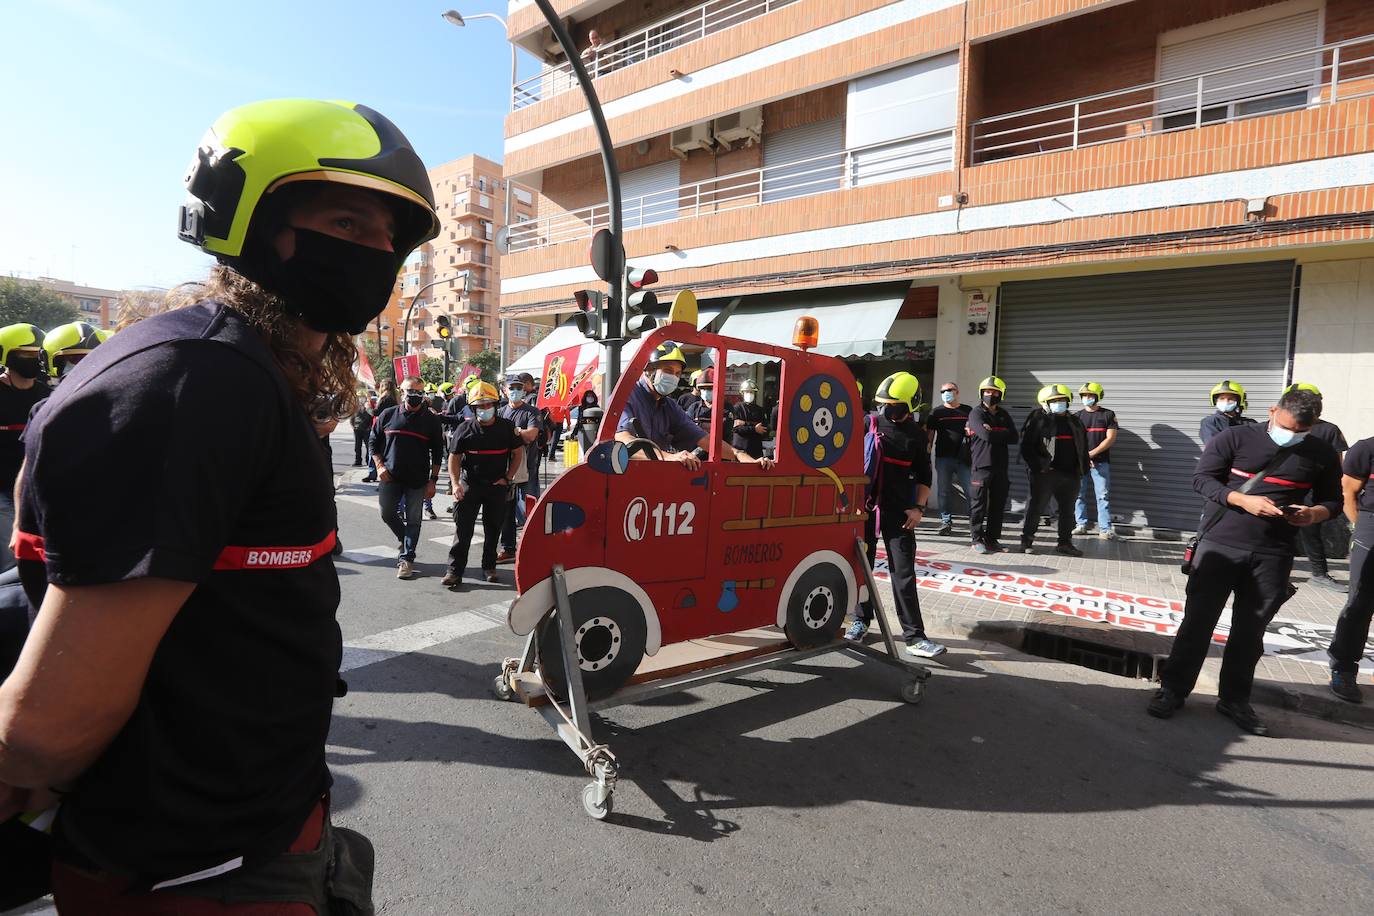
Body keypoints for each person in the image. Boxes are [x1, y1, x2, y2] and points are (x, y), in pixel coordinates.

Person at [0, 97, 440, 910]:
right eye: (347, 224)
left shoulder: (253, 373)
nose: (378, 256)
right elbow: (51, 722)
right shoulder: (190, 385)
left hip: (262, 831)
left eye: (391, 239)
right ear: (249, 219)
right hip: (192, 871)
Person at [1149, 387, 1340, 736]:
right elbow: (1201, 480)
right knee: (1198, 623)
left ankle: (1235, 699)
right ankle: (1173, 690)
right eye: (1286, 427)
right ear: (1272, 411)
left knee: (1250, 632)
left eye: (1301, 432)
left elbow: (1334, 500)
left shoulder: (1321, 451)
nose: (1292, 436)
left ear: (1313, 426)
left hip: (1274, 553)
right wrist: (1240, 499)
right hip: (1220, 545)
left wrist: (1314, 513)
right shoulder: (1235, 437)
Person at [847, 372, 946, 658]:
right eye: (884, 404)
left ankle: (914, 637)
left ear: (912, 404)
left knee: (903, 573)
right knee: (862, 570)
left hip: (900, 514)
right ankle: (860, 621)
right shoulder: (868, 423)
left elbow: (926, 476)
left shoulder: (917, 435)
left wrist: (920, 508)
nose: (888, 410)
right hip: (864, 510)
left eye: (895, 405)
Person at [615, 342, 774, 470]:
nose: (673, 377)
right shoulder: (627, 395)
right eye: (668, 370)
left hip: (655, 479)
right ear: (649, 370)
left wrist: (739, 455)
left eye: (678, 374)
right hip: (622, 477)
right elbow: (622, 439)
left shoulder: (669, 405)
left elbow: (702, 437)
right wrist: (669, 457)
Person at [445, 382, 524, 588]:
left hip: (497, 487)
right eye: (480, 406)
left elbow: (518, 454)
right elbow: (454, 458)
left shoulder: (507, 428)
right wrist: (455, 484)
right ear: (473, 408)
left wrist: (508, 477)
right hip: (469, 485)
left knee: (493, 530)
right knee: (463, 532)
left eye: (489, 405)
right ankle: (454, 571)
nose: (485, 409)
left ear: (496, 405)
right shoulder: (464, 429)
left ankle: (489, 567)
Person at [370, 375, 445, 580]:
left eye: (419, 392)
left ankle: (407, 558)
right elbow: (373, 442)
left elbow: (438, 452)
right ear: (401, 392)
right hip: (390, 476)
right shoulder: (388, 414)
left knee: (414, 520)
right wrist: (379, 466)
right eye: (410, 392)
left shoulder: (431, 420)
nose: (414, 396)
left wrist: (433, 480)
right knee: (387, 513)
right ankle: (405, 539)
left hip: (417, 479)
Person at [1285, 383, 1348, 592]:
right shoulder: (1281, 425)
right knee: (1277, 528)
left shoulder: (1329, 429)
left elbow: (1338, 463)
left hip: (1314, 488)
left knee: (1310, 529)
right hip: (1285, 486)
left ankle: (1319, 574)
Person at [0, 325, 51, 572]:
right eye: (25, 355)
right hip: (2, 491)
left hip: (36, 488)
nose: (33, 361)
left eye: (37, 355)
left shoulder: (48, 394)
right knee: (11, 560)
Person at [1328, 432, 1374, 703]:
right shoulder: (1366, 448)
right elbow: (1348, 492)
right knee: (1360, 602)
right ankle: (1343, 669)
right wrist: (1359, 529)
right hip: (1370, 525)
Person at [1019, 384, 1088, 556]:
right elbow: (1026, 446)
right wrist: (1038, 467)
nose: (1059, 403)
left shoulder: (1075, 421)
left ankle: (1064, 543)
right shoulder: (1038, 419)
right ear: (1046, 403)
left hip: (1071, 474)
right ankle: (1026, 541)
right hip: (1046, 474)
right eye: (1055, 400)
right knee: (1036, 508)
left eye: (1062, 400)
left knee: (1067, 511)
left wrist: (1082, 467)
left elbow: (1083, 446)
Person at [496, 374, 547, 563]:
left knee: (528, 508)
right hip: (506, 468)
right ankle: (508, 548)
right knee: (506, 510)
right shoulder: (500, 412)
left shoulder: (532, 412)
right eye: (512, 388)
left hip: (528, 468)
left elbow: (531, 435)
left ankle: (534, 546)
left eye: (519, 387)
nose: (515, 391)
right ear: (504, 390)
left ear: (524, 390)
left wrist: (514, 431)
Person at [966, 376, 1018, 554]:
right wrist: (999, 432)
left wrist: (992, 430)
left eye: (995, 392)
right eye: (987, 391)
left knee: (998, 505)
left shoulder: (1003, 414)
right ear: (982, 393)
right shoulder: (976, 413)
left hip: (1001, 466)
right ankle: (976, 539)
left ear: (1001, 394)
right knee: (978, 504)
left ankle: (992, 539)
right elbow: (985, 435)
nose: (990, 395)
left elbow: (1014, 437)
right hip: (981, 466)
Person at [1072, 381, 1121, 541]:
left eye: (1091, 395)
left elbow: (1110, 439)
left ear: (1098, 396)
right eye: (1084, 395)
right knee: (1078, 495)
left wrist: (1091, 454)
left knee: (1103, 496)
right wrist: (1083, 457)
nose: (1087, 397)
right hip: (1080, 463)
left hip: (1101, 463)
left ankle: (1105, 529)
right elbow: (1073, 441)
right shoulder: (1076, 417)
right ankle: (1081, 525)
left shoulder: (1108, 415)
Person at [926, 380, 972, 537]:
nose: (946, 393)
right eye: (943, 391)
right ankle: (946, 522)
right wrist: (927, 451)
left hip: (964, 458)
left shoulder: (967, 410)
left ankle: (975, 523)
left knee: (971, 491)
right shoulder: (936, 412)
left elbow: (973, 430)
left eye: (949, 390)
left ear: (957, 392)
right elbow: (930, 434)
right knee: (944, 491)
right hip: (943, 458)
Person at [1200, 379, 1255, 444]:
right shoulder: (1210, 422)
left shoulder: (1250, 424)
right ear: (1216, 401)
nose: (1226, 402)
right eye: (1222, 398)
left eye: (1230, 399)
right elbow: (1215, 445)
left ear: (1238, 401)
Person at [730, 379, 769, 459]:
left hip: (756, 450)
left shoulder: (760, 410)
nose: (749, 394)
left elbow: (765, 428)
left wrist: (744, 423)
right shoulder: (737, 408)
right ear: (742, 393)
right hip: (740, 449)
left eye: (751, 392)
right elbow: (736, 428)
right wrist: (754, 428)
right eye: (747, 392)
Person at [686, 366, 716, 432]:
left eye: (709, 388)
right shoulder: (694, 408)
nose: (706, 391)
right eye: (703, 388)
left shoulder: (726, 408)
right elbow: (687, 430)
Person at [349, 394, 374, 467]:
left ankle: (368, 461)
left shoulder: (368, 408)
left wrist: (369, 427)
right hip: (357, 430)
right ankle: (358, 461)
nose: (361, 400)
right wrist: (353, 426)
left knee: (368, 446)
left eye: (363, 398)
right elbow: (352, 419)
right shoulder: (355, 408)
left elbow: (372, 418)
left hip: (366, 430)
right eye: (360, 398)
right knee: (357, 446)